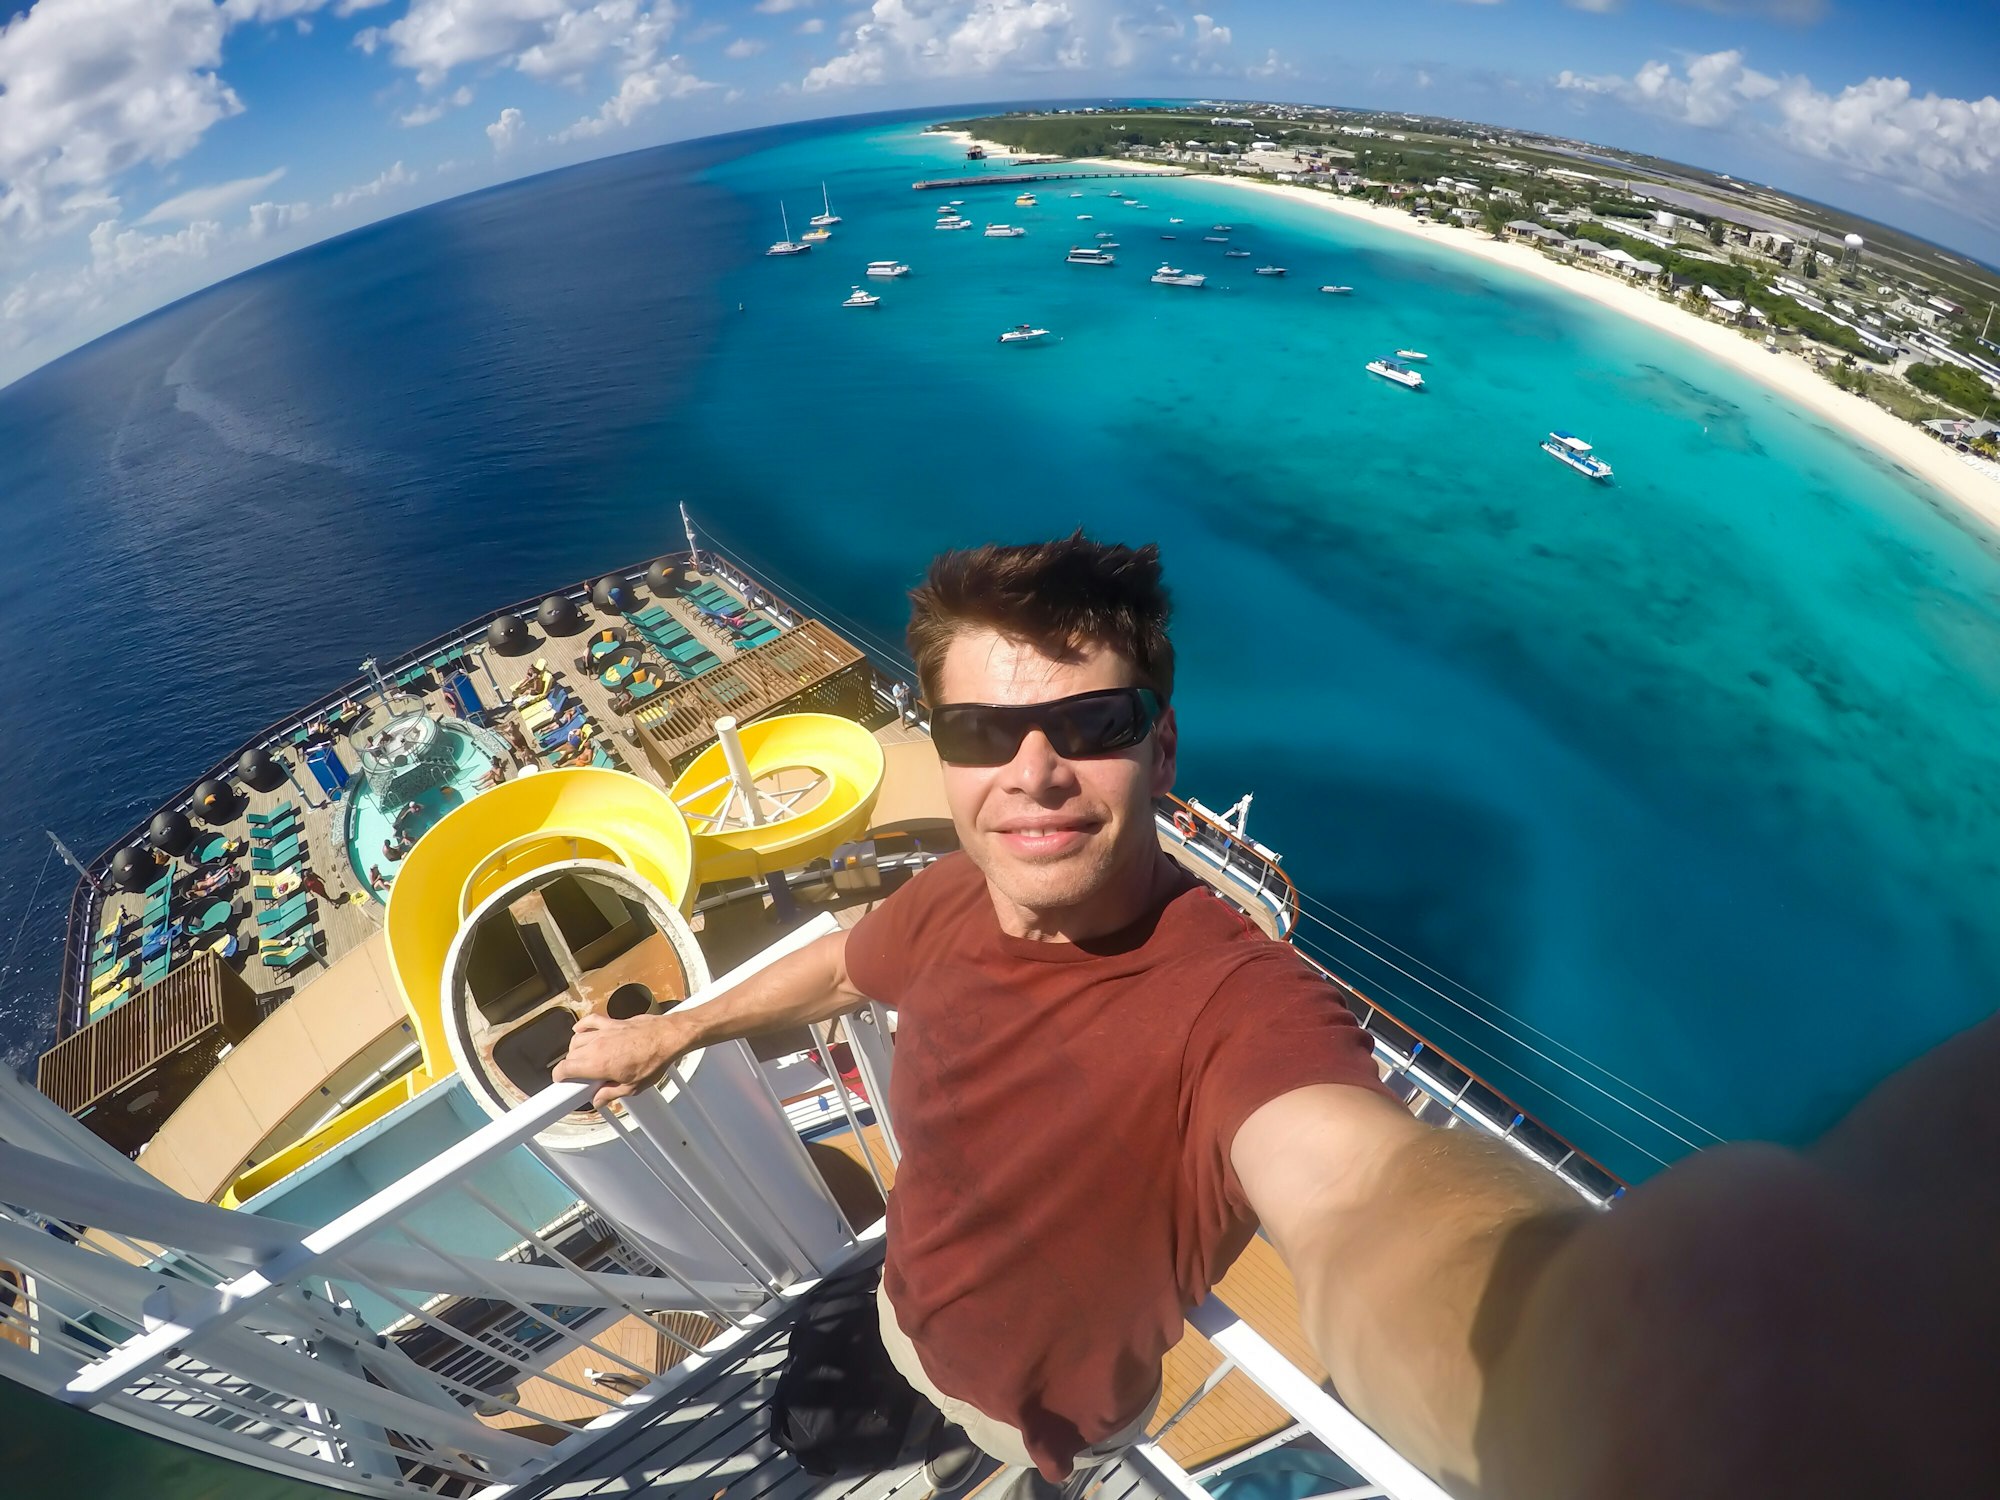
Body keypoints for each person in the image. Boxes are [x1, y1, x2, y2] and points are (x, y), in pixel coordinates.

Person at [556, 535, 2000, 1500]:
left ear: (1162, 747)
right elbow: (841, 966)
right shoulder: (943, 899)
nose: (1038, 771)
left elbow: (1367, 1191)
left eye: (1096, 725)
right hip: (895, 1309)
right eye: (988, 734)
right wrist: (671, 1030)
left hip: (1043, 1427)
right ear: (943, 757)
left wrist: (1610, 1371)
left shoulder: (1236, 1002)